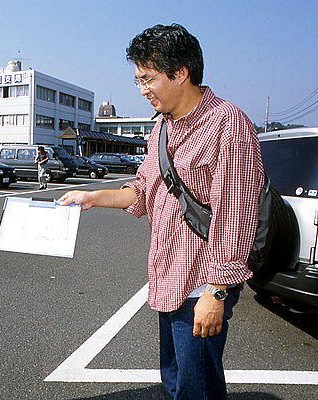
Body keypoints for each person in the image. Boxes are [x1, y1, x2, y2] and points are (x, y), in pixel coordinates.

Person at [59, 24, 263, 399]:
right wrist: (90, 197)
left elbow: (237, 217)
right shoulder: (162, 129)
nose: (142, 90)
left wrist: (217, 292)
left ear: (180, 72)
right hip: (169, 276)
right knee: (174, 381)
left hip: (203, 282)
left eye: (148, 79)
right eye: (138, 80)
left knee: (196, 388)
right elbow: (142, 188)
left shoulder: (228, 125)